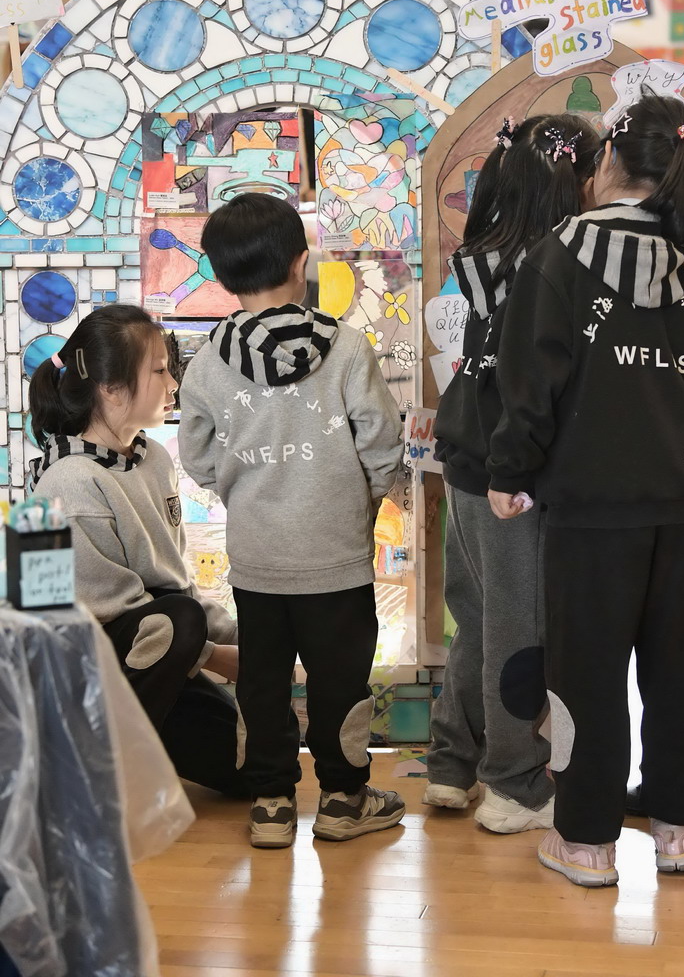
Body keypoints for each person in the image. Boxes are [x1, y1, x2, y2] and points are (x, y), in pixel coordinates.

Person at [487, 94, 684, 887]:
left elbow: (530, 384)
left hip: (591, 507)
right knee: (682, 672)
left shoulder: (558, 255)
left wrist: (510, 471)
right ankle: (679, 830)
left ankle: (587, 842)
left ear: (607, 162)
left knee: (586, 675)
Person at [177, 192, 405, 848]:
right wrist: (361, 502)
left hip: (258, 559)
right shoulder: (348, 348)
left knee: (262, 683)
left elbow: (196, 456)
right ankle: (343, 799)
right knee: (341, 684)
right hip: (337, 557)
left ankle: (272, 804)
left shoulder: (209, 361)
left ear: (222, 276)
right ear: (302, 263)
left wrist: (240, 491)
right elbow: (382, 444)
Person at [425, 114, 599, 834]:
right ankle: (513, 784)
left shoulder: (478, 257)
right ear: (576, 181)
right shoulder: (557, 266)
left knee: (480, 617)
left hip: (465, 456)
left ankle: (450, 762)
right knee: (519, 627)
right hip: (514, 472)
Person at [28, 304, 246, 797]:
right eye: (160, 371)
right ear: (110, 387)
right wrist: (216, 656)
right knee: (177, 621)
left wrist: (245, 636)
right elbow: (105, 614)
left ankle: (140, 751)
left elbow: (173, 582)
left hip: (155, 654)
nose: (174, 384)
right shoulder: (70, 482)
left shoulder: (154, 459)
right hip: (86, 671)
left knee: (258, 765)